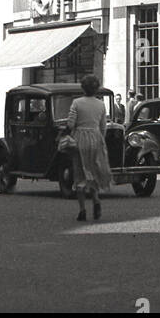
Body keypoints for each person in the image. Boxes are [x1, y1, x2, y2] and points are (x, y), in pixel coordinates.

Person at [65, 74, 112, 223]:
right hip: (96, 137)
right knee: (94, 170)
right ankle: (96, 200)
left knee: (79, 172)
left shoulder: (77, 103)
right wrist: (100, 139)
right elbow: (103, 126)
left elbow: (71, 124)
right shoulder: (101, 105)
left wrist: (66, 135)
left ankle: (82, 210)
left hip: (80, 138)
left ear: (83, 88)